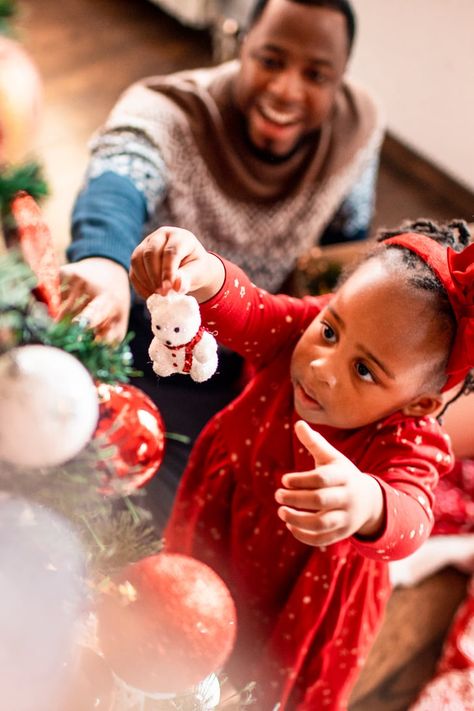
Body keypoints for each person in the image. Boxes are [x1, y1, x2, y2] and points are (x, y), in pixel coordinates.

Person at [129, 218, 474, 710]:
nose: (320, 367)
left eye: (363, 370)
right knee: (185, 621)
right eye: (330, 330)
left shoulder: (408, 436)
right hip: (222, 521)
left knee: (260, 686)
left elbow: (414, 518)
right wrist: (202, 272)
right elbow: (250, 312)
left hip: (304, 592)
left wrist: (367, 501)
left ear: (417, 404)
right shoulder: (302, 330)